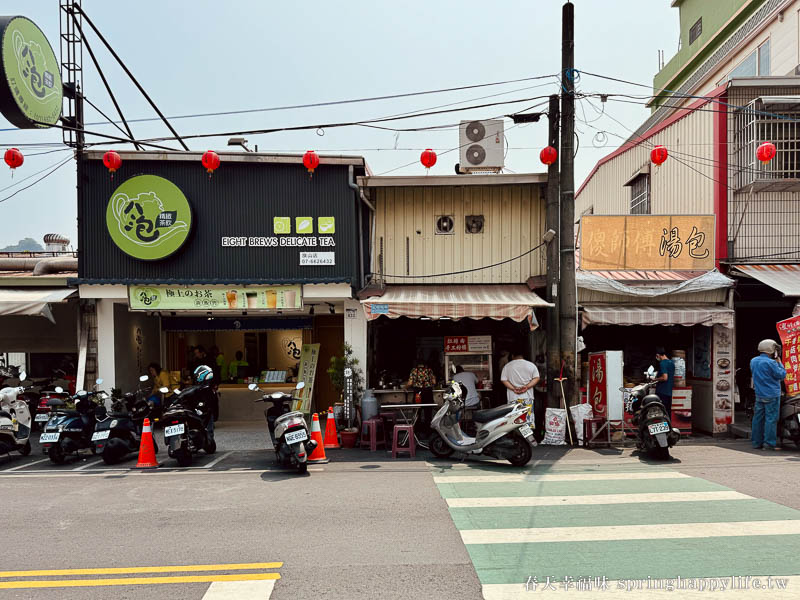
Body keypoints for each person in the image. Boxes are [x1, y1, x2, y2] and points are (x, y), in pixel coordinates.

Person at [750, 339, 787, 451]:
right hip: (772, 394)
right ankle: (769, 444)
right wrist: (779, 363)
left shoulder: (753, 361)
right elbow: (782, 375)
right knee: (771, 419)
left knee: (758, 419)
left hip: (759, 394)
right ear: (771, 350)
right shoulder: (771, 363)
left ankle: (756, 443)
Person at [654, 347, 675, 416]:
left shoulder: (662, 363)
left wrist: (655, 379)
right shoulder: (671, 363)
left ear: (658, 355)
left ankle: (663, 426)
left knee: (661, 413)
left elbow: (665, 378)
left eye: (657, 356)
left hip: (662, 392)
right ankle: (668, 426)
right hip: (669, 392)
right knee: (667, 413)